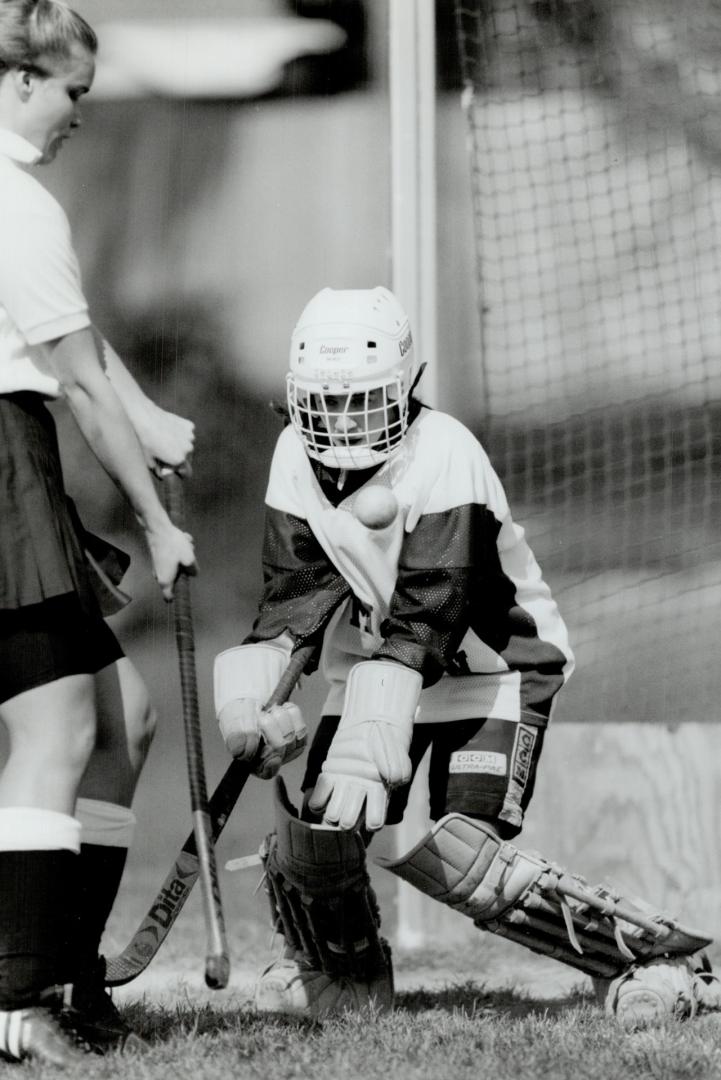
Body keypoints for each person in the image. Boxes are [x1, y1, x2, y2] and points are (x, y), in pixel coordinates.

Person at [213, 285, 576, 1017]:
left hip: (492, 675)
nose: (342, 420)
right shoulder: (293, 455)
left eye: (363, 400)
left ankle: (636, 961)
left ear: (405, 385)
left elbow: (431, 610)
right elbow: (296, 593)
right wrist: (256, 692)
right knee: (317, 838)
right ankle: (337, 972)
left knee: (465, 858)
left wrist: (373, 727)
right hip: (378, 673)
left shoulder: (445, 453)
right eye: (325, 402)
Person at [0, 0, 195, 1066]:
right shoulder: (19, 204)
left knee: (123, 719)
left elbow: (62, 336)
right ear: (21, 77)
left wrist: (147, 415)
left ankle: (69, 972)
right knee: (54, 736)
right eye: (73, 89)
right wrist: (161, 525)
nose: (83, 112)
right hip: (3, 463)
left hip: (16, 457)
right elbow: (71, 377)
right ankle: (19, 1004)